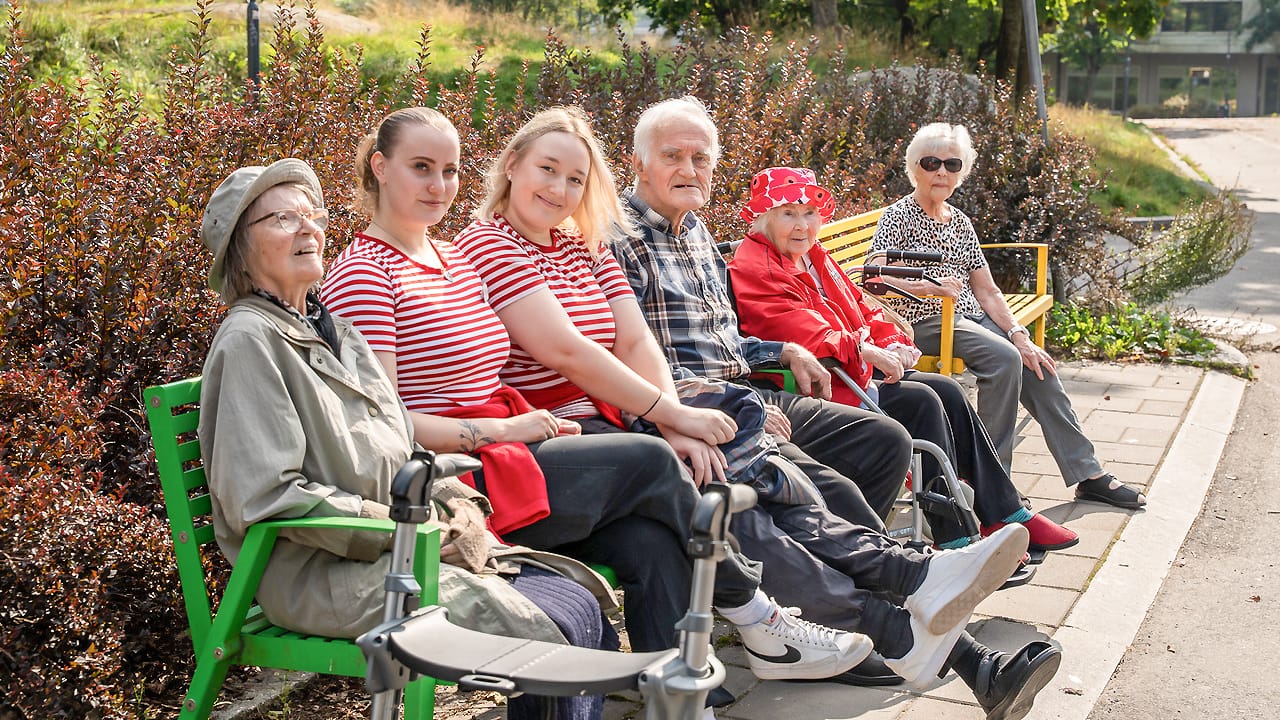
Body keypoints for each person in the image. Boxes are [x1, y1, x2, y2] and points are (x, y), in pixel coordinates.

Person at [452, 104, 1062, 720]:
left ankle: (946, 645)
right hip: (620, 425)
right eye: (673, 156)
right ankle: (873, 615)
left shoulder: (593, 243)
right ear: (636, 164)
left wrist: (734, 381)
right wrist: (674, 414)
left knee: (829, 490)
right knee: (750, 498)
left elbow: (643, 342)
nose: (561, 190)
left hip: (677, 408)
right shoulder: (578, 239)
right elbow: (578, 353)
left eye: (575, 179)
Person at [318, 107, 874, 696]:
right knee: (653, 460)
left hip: (522, 450)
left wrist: (655, 415)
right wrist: (503, 433)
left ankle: (683, 701)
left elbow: (605, 342)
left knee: (653, 541)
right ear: (380, 168)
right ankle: (761, 618)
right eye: (420, 168)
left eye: (450, 170)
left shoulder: (451, 262)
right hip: (459, 480)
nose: (438, 185)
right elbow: (385, 424)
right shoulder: (364, 275)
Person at [198, 158, 616, 720]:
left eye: (311, 214)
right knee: (547, 621)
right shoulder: (251, 340)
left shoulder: (329, 328)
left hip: (395, 546)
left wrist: (455, 503)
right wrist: (398, 525)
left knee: (572, 592)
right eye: (280, 219)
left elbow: (398, 443)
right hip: (322, 569)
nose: (306, 229)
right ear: (240, 254)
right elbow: (267, 498)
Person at [728, 166, 1079, 553]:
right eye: (788, 214)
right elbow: (798, 329)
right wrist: (866, 349)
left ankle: (1004, 511)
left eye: (809, 213)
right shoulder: (754, 266)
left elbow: (862, 305)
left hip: (854, 376)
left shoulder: (813, 256)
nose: (802, 225)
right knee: (923, 401)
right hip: (825, 385)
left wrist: (891, 340)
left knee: (947, 389)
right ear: (764, 219)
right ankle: (956, 537)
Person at [870, 123, 1147, 510]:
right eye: (931, 163)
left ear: (962, 171)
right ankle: (992, 484)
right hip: (923, 323)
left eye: (952, 164)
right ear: (914, 167)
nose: (942, 172)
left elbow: (986, 290)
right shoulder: (898, 217)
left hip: (965, 318)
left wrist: (1019, 333)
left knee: (1036, 364)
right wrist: (930, 286)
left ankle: (1088, 474)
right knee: (1003, 361)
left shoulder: (959, 221)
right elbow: (875, 276)